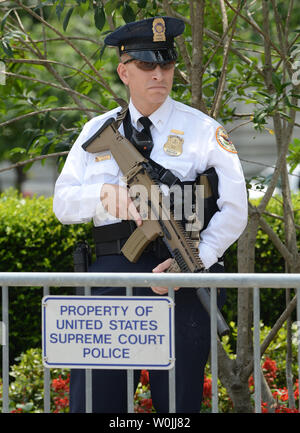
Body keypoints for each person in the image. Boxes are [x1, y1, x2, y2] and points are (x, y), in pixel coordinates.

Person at [53, 16, 248, 413]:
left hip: (180, 276)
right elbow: (63, 203)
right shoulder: (97, 131)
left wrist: (195, 263)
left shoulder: (203, 131)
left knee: (177, 405)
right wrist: (103, 195)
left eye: (166, 64)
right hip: (111, 275)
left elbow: (234, 209)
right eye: (146, 65)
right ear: (125, 71)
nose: (159, 74)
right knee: (95, 400)